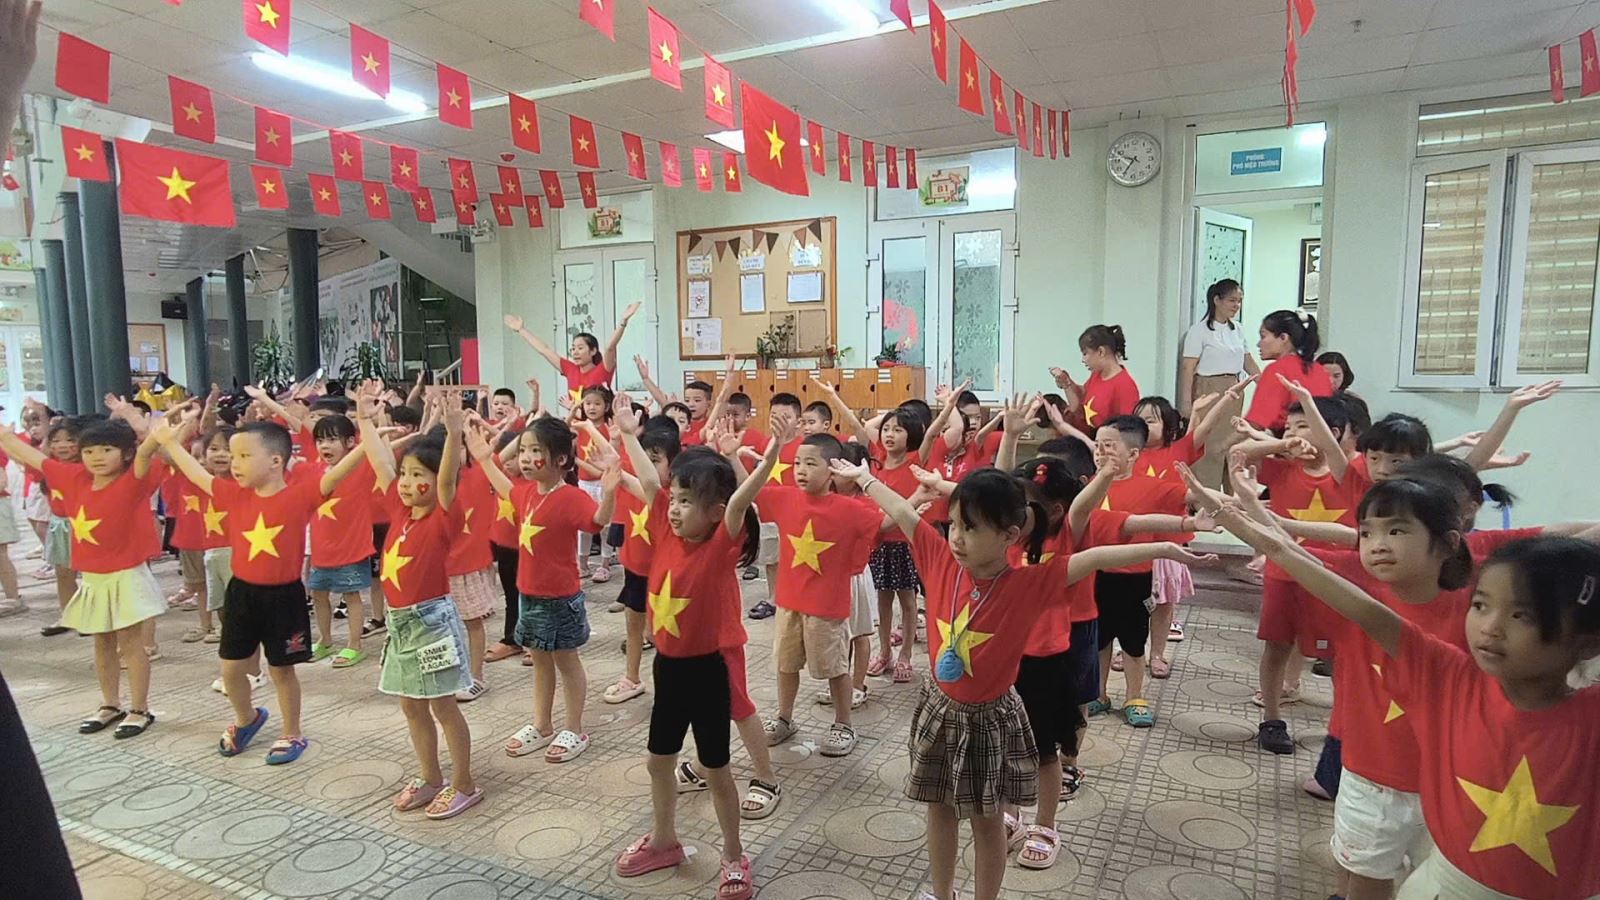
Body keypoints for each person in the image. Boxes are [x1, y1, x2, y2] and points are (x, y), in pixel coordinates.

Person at [828, 456, 1208, 900]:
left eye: (971, 529)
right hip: (939, 709)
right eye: (954, 525)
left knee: (987, 821)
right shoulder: (939, 559)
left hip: (988, 718)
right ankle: (942, 893)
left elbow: (1095, 558)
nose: (957, 538)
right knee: (940, 809)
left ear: (1010, 535)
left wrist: (1164, 548)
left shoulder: (1029, 583)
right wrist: (865, 478)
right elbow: (903, 511)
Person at [1202, 496, 1600, 900]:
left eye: (1521, 616)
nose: (1490, 627)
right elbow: (1365, 610)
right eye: (1481, 605)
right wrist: (1269, 542)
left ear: (1588, 642)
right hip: (1445, 887)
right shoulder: (1449, 675)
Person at [612, 429, 782, 900]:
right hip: (667, 669)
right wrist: (625, 432)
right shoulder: (667, 530)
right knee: (657, 761)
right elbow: (652, 483)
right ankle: (664, 840)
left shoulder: (719, 545)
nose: (674, 508)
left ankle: (734, 854)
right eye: (676, 498)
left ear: (714, 512)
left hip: (707, 672)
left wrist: (770, 457)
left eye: (687, 502)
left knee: (716, 769)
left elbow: (741, 502)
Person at [153, 412, 369, 764]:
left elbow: (337, 473)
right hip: (242, 593)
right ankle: (247, 719)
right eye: (233, 456)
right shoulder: (233, 494)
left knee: (282, 670)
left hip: (283, 597)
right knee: (230, 668)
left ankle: (292, 732)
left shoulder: (300, 496)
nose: (234, 463)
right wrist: (168, 443)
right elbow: (197, 473)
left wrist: (367, 439)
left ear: (275, 461)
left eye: (244, 456)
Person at [355, 389, 483, 819]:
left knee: (443, 706)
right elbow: (380, 463)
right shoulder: (400, 511)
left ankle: (464, 783)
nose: (408, 484)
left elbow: (446, 482)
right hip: (399, 625)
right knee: (411, 704)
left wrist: (454, 432)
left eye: (417, 476)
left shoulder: (444, 515)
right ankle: (431, 777)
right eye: (405, 475)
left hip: (431, 624)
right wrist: (365, 421)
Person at [0, 418, 167, 738]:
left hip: (126, 575)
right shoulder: (74, 476)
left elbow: (147, 453)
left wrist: (151, 433)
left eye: (106, 450)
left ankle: (140, 708)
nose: (97, 457)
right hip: (93, 578)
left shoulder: (133, 479)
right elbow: (33, 457)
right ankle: (110, 704)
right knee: (101, 641)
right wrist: (5, 437)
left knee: (130, 644)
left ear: (125, 453)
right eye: (89, 451)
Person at [476, 416, 618, 763]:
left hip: (560, 598)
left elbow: (597, 521)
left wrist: (611, 491)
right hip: (529, 595)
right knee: (539, 660)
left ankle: (574, 728)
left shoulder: (570, 497)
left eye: (534, 451)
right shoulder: (526, 491)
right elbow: (505, 487)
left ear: (561, 459)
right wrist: (483, 459)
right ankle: (542, 725)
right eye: (522, 451)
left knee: (566, 662)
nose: (525, 458)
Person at [1231, 396, 1359, 754]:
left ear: (1332, 433)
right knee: (1277, 645)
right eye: (1288, 427)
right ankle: (1271, 719)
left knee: (1338, 655)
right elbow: (1238, 454)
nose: (1293, 433)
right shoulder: (1282, 469)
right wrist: (1280, 445)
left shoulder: (1348, 474)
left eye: (1303, 426)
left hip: (1336, 578)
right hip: (1285, 574)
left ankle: (1343, 725)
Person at [750, 433, 883, 758]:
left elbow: (885, 524)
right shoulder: (785, 498)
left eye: (811, 463)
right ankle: (785, 718)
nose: (801, 470)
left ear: (832, 469)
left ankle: (844, 724)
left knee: (835, 668)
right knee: (786, 664)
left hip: (827, 607)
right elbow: (749, 492)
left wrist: (915, 499)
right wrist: (729, 456)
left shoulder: (848, 508)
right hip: (789, 603)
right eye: (798, 463)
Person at [1073, 416, 1189, 727]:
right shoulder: (1089, 486)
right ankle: (1099, 694)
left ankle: (1135, 697)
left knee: (1134, 642)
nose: (1101, 452)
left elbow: (1186, 498)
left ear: (1134, 453)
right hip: (1095, 574)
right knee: (1099, 640)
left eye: (1109, 446)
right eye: (1098, 445)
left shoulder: (1151, 487)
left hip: (1135, 578)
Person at [603, 408, 680, 704]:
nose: (646, 465)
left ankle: (673, 684)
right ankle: (632, 677)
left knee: (667, 631)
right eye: (644, 459)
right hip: (635, 568)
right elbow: (618, 472)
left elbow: (645, 485)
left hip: (666, 576)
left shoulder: (673, 499)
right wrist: (612, 439)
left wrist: (624, 435)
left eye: (655, 460)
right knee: (633, 624)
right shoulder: (635, 483)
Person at [306, 413, 377, 667]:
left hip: (351, 549)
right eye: (320, 441)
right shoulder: (315, 470)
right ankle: (324, 640)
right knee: (319, 595)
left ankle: (354, 645)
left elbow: (381, 453)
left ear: (349, 442)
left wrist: (373, 425)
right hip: (321, 550)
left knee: (351, 596)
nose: (324, 446)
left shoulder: (361, 466)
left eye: (332, 440)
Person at [865, 406, 927, 684]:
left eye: (898, 429)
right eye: (887, 429)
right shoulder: (876, 461)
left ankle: (905, 655)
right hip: (879, 543)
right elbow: (866, 426)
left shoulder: (915, 462)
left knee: (908, 600)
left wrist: (906, 412)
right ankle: (885, 652)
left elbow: (932, 434)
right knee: (883, 599)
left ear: (910, 435)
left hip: (905, 543)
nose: (889, 434)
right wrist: (891, 414)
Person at [1180, 280, 1260, 486]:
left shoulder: (1238, 329)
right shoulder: (1199, 331)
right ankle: (1207, 492)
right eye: (1232, 300)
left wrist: (1265, 384)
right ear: (1217, 300)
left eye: (1239, 301)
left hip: (1234, 388)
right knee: (1210, 444)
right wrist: (1186, 403)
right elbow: (1188, 368)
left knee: (1231, 442)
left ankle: (1232, 492)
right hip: (1209, 389)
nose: (1236, 305)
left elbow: (1248, 361)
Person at [504, 302, 640, 405]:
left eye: (580, 348)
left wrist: (623, 321)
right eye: (573, 348)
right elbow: (544, 350)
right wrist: (521, 330)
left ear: (593, 351)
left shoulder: (603, 369)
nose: (575, 352)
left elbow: (610, 347)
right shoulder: (570, 369)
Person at [1245, 310, 1332, 432]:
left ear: (1283, 337)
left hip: (1289, 438)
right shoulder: (1318, 369)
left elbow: (1256, 423)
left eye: (1263, 336)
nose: (1259, 344)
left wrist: (1225, 443)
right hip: (1321, 438)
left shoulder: (1277, 370)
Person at [1052, 324, 1140, 432]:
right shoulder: (1096, 375)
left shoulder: (1125, 385)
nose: (1083, 360)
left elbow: (1129, 428)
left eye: (1085, 353)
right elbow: (1083, 396)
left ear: (1101, 352)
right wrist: (1066, 382)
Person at [573, 385, 618, 582]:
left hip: (604, 483)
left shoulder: (609, 428)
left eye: (597, 403)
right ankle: (582, 564)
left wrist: (578, 462)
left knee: (607, 525)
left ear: (606, 406)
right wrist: (572, 411)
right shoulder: (580, 426)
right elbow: (564, 431)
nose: (591, 408)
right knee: (583, 526)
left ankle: (605, 564)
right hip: (584, 483)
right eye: (588, 403)